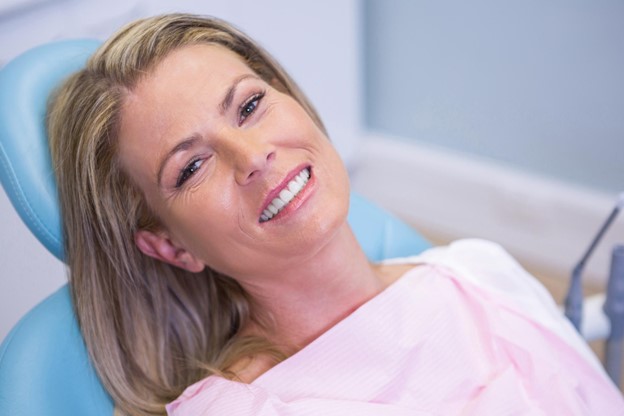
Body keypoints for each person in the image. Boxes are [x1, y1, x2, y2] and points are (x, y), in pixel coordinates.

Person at [47, 13, 623, 416]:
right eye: (192, 167)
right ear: (172, 247)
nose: (254, 158)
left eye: (250, 105)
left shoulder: (476, 272)